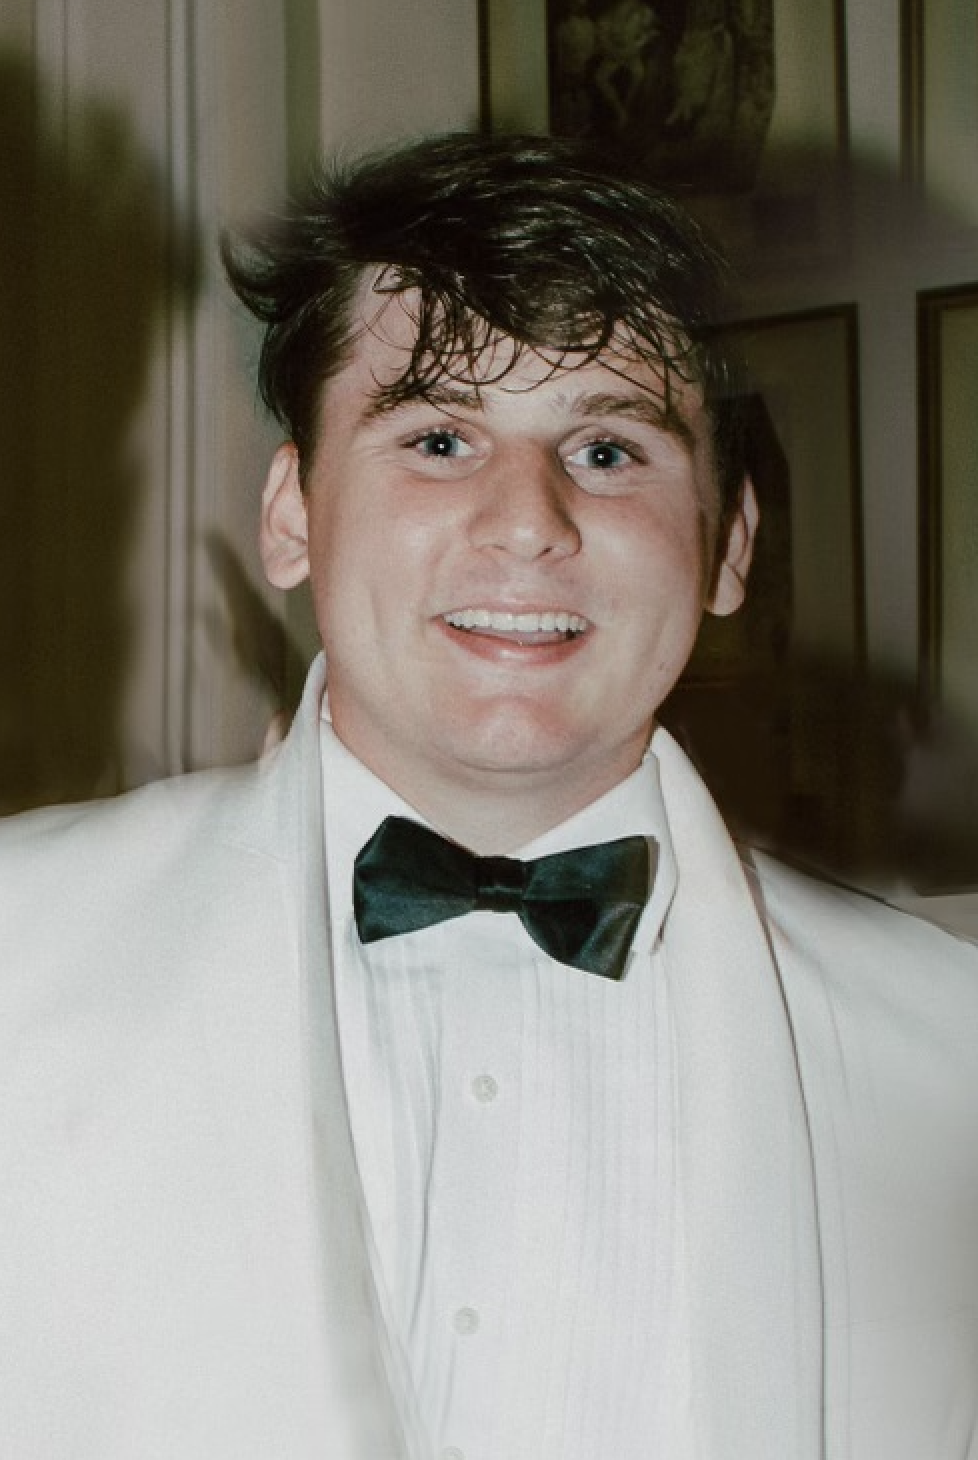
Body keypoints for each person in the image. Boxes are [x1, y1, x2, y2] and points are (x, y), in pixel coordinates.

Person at [1, 132, 976, 1460]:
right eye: (441, 435)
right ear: (292, 514)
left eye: (611, 450)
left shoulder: (947, 1054)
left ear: (728, 547)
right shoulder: (21, 948)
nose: (528, 522)